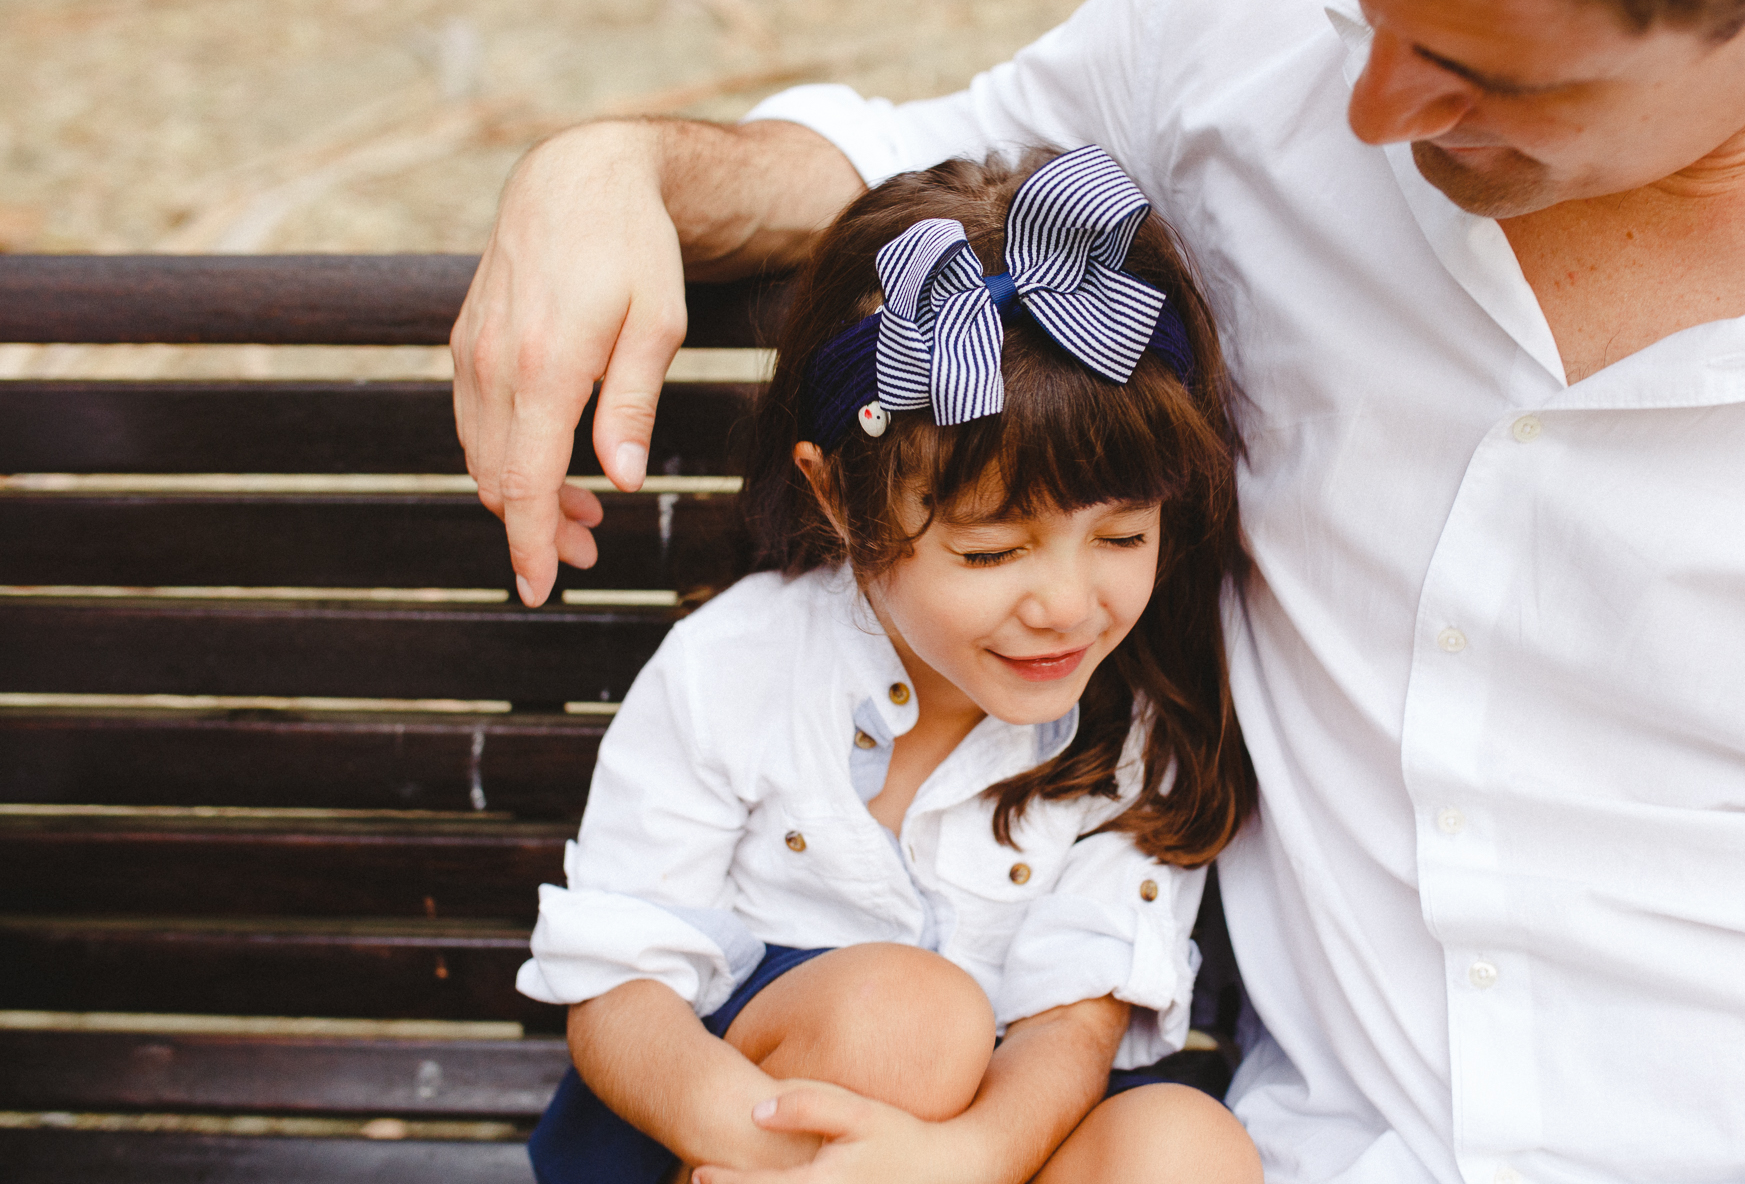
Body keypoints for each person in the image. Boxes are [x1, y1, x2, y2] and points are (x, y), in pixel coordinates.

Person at [454, 0, 1745, 1180]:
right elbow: (905, 178)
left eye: (1488, 70)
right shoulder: (1246, 20)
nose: (1367, 115)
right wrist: (613, 167)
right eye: (1360, 9)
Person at [513, 147, 1263, 1184]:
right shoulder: (735, 666)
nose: (1063, 604)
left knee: (1186, 1148)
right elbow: (619, 991)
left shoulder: (1136, 717)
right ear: (836, 499)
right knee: (909, 1020)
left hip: (997, 1136)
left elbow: (1073, 1019)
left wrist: (954, 1161)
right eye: (989, 551)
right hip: (740, 1118)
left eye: (1123, 536)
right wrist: (781, 1148)